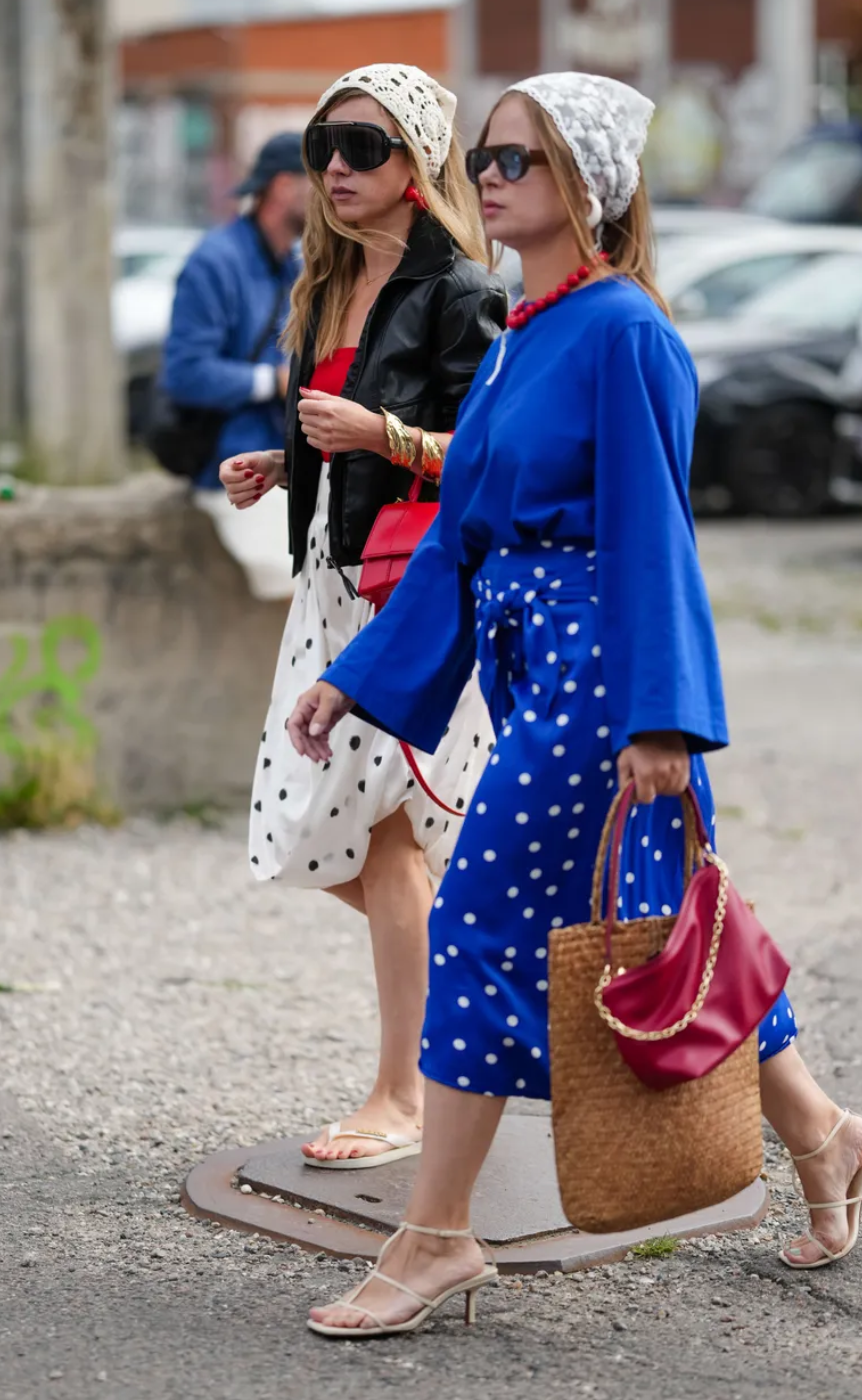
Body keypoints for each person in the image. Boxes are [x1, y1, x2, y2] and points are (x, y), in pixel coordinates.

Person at [288, 71, 862, 1337]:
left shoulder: (627, 331)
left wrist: (661, 716)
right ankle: (826, 1133)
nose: (490, 176)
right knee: (664, 914)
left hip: (598, 676)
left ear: (593, 186)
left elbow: (652, 538)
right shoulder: (523, 330)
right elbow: (459, 540)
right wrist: (353, 676)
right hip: (536, 668)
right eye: (490, 160)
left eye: (517, 160)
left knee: (470, 918)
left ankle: (436, 1234)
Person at [219, 65, 507, 1170]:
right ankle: (472, 975)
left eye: (365, 147)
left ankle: (406, 1093)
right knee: (315, 826)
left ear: (419, 165)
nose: (335, 167)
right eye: (322, 145)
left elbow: (488, 464)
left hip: (414, 597)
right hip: (331, 587)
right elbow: (341, 439)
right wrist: (286, 463)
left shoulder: (462, 292)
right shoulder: (326, 280)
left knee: (385, 834)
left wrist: (377, 434)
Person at [162, 132, 308, 601]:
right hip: (230, 465)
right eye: (319, 181)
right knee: (297, 580)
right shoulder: (215, 261)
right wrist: (274, 381)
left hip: (280, 464)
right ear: (284, 186)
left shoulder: (294, 263)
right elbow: (183, 373)